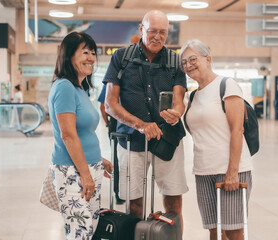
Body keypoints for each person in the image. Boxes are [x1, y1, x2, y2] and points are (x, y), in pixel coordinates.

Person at [103, 10, 189, 227]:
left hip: (168, 140)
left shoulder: (175, 61)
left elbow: (179, 99)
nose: (157, 37)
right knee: (134, 203)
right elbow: (109, 104)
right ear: (141, 29)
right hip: (131, 141)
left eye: (163, 32)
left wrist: (176, 114)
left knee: (173, 200)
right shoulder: (121, 58)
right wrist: (140, 125)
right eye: (152, 31)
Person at [181, 39, 253, 240]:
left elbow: (237, 130)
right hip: (203, 171)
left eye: (193, 59)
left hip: (229, 170)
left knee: (233, 231)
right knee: (214, 230)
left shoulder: (226, 85)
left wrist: (233, 172)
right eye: (184, 62)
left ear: (208, 59)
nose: (188, 65)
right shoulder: (193, 96)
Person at [48, 31, 113, 240]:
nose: (91, 58)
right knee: (80, 233)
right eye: (85, 52)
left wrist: (98, 160)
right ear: (69, 56)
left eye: (93, 53)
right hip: (72, 173)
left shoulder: (80, 89)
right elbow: (67, 135)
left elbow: (83, 132)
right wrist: (85, 174)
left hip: (89, 168)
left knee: (90, 230)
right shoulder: (64, 87)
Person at [97, 84, 125, 204]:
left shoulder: (111, 83)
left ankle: (118, 193)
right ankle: (125, 192)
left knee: (116, 158)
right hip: (127, 123)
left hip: (114, 123)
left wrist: (107, 123)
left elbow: (102, 106)